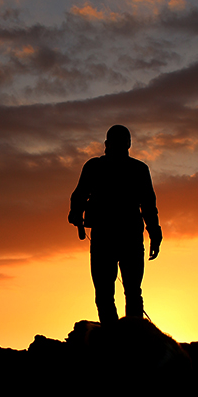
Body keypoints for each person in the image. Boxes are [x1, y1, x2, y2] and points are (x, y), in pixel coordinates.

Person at [68, 125, 162, 325]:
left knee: (109, 293)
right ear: (128, 144)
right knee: (127, 292)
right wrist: (155, 234)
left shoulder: (96, 167)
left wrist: (76, 213)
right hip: (125, 237)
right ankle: (131, 339)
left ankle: (117, 339)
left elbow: (78, 197)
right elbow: (148, 206)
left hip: (110, 237)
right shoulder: (137, 169)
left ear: (107, 144)